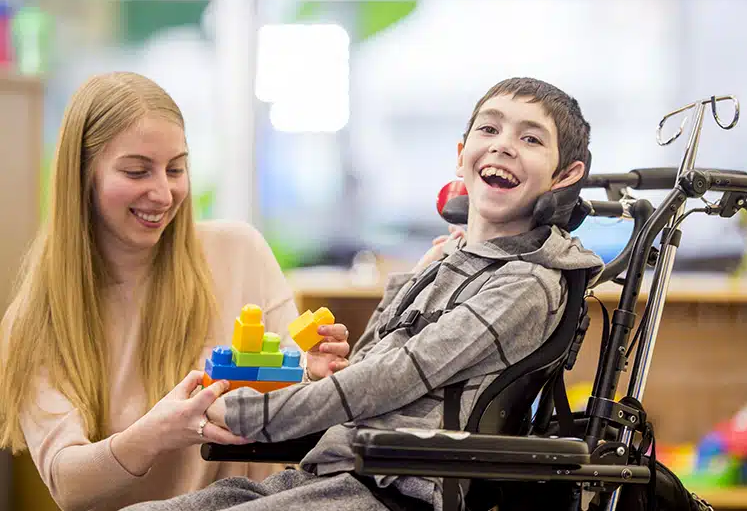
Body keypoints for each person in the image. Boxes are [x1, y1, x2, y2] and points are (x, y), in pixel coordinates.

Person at [122, 76, 606, 511]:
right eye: (489, 129)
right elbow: (368, 362)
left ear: (565, 175)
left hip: (397, 491)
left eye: (530, 138)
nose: (503, 146)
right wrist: (415, 278)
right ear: (461, 154)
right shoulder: (450, 262)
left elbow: (392, 378)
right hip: (335, 474)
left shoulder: (525, 283)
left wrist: (251, 414)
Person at [0, 71, 350, 511]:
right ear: (83, 176)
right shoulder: (36, 320)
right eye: (136, 170)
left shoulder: (239, 251)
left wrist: (314, 379)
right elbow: (68, 485)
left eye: (176, 169)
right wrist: (155, 433)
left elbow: (296, 408)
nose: (163, 193)